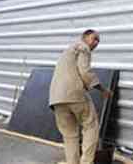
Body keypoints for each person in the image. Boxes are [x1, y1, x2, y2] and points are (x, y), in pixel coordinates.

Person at [49, 29, 114, 164]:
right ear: (84, 37)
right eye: (94, 38)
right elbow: (85, 72)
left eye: (98, 41)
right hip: (74, 94)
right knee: (91, 126)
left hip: (56, 98)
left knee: (70, 135)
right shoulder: (82, 48)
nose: (96, 43)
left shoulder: (68, 51)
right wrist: (103, 90)